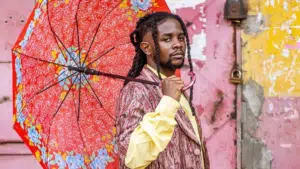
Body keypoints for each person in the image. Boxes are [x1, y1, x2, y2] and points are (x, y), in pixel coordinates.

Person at [116, 12, 209, 169]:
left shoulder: (175, 87)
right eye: (167, 39)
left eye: (180, 37)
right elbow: (132, 157)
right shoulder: (136, 90)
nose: (178, 44)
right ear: (147, 48)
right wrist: (168, 102)